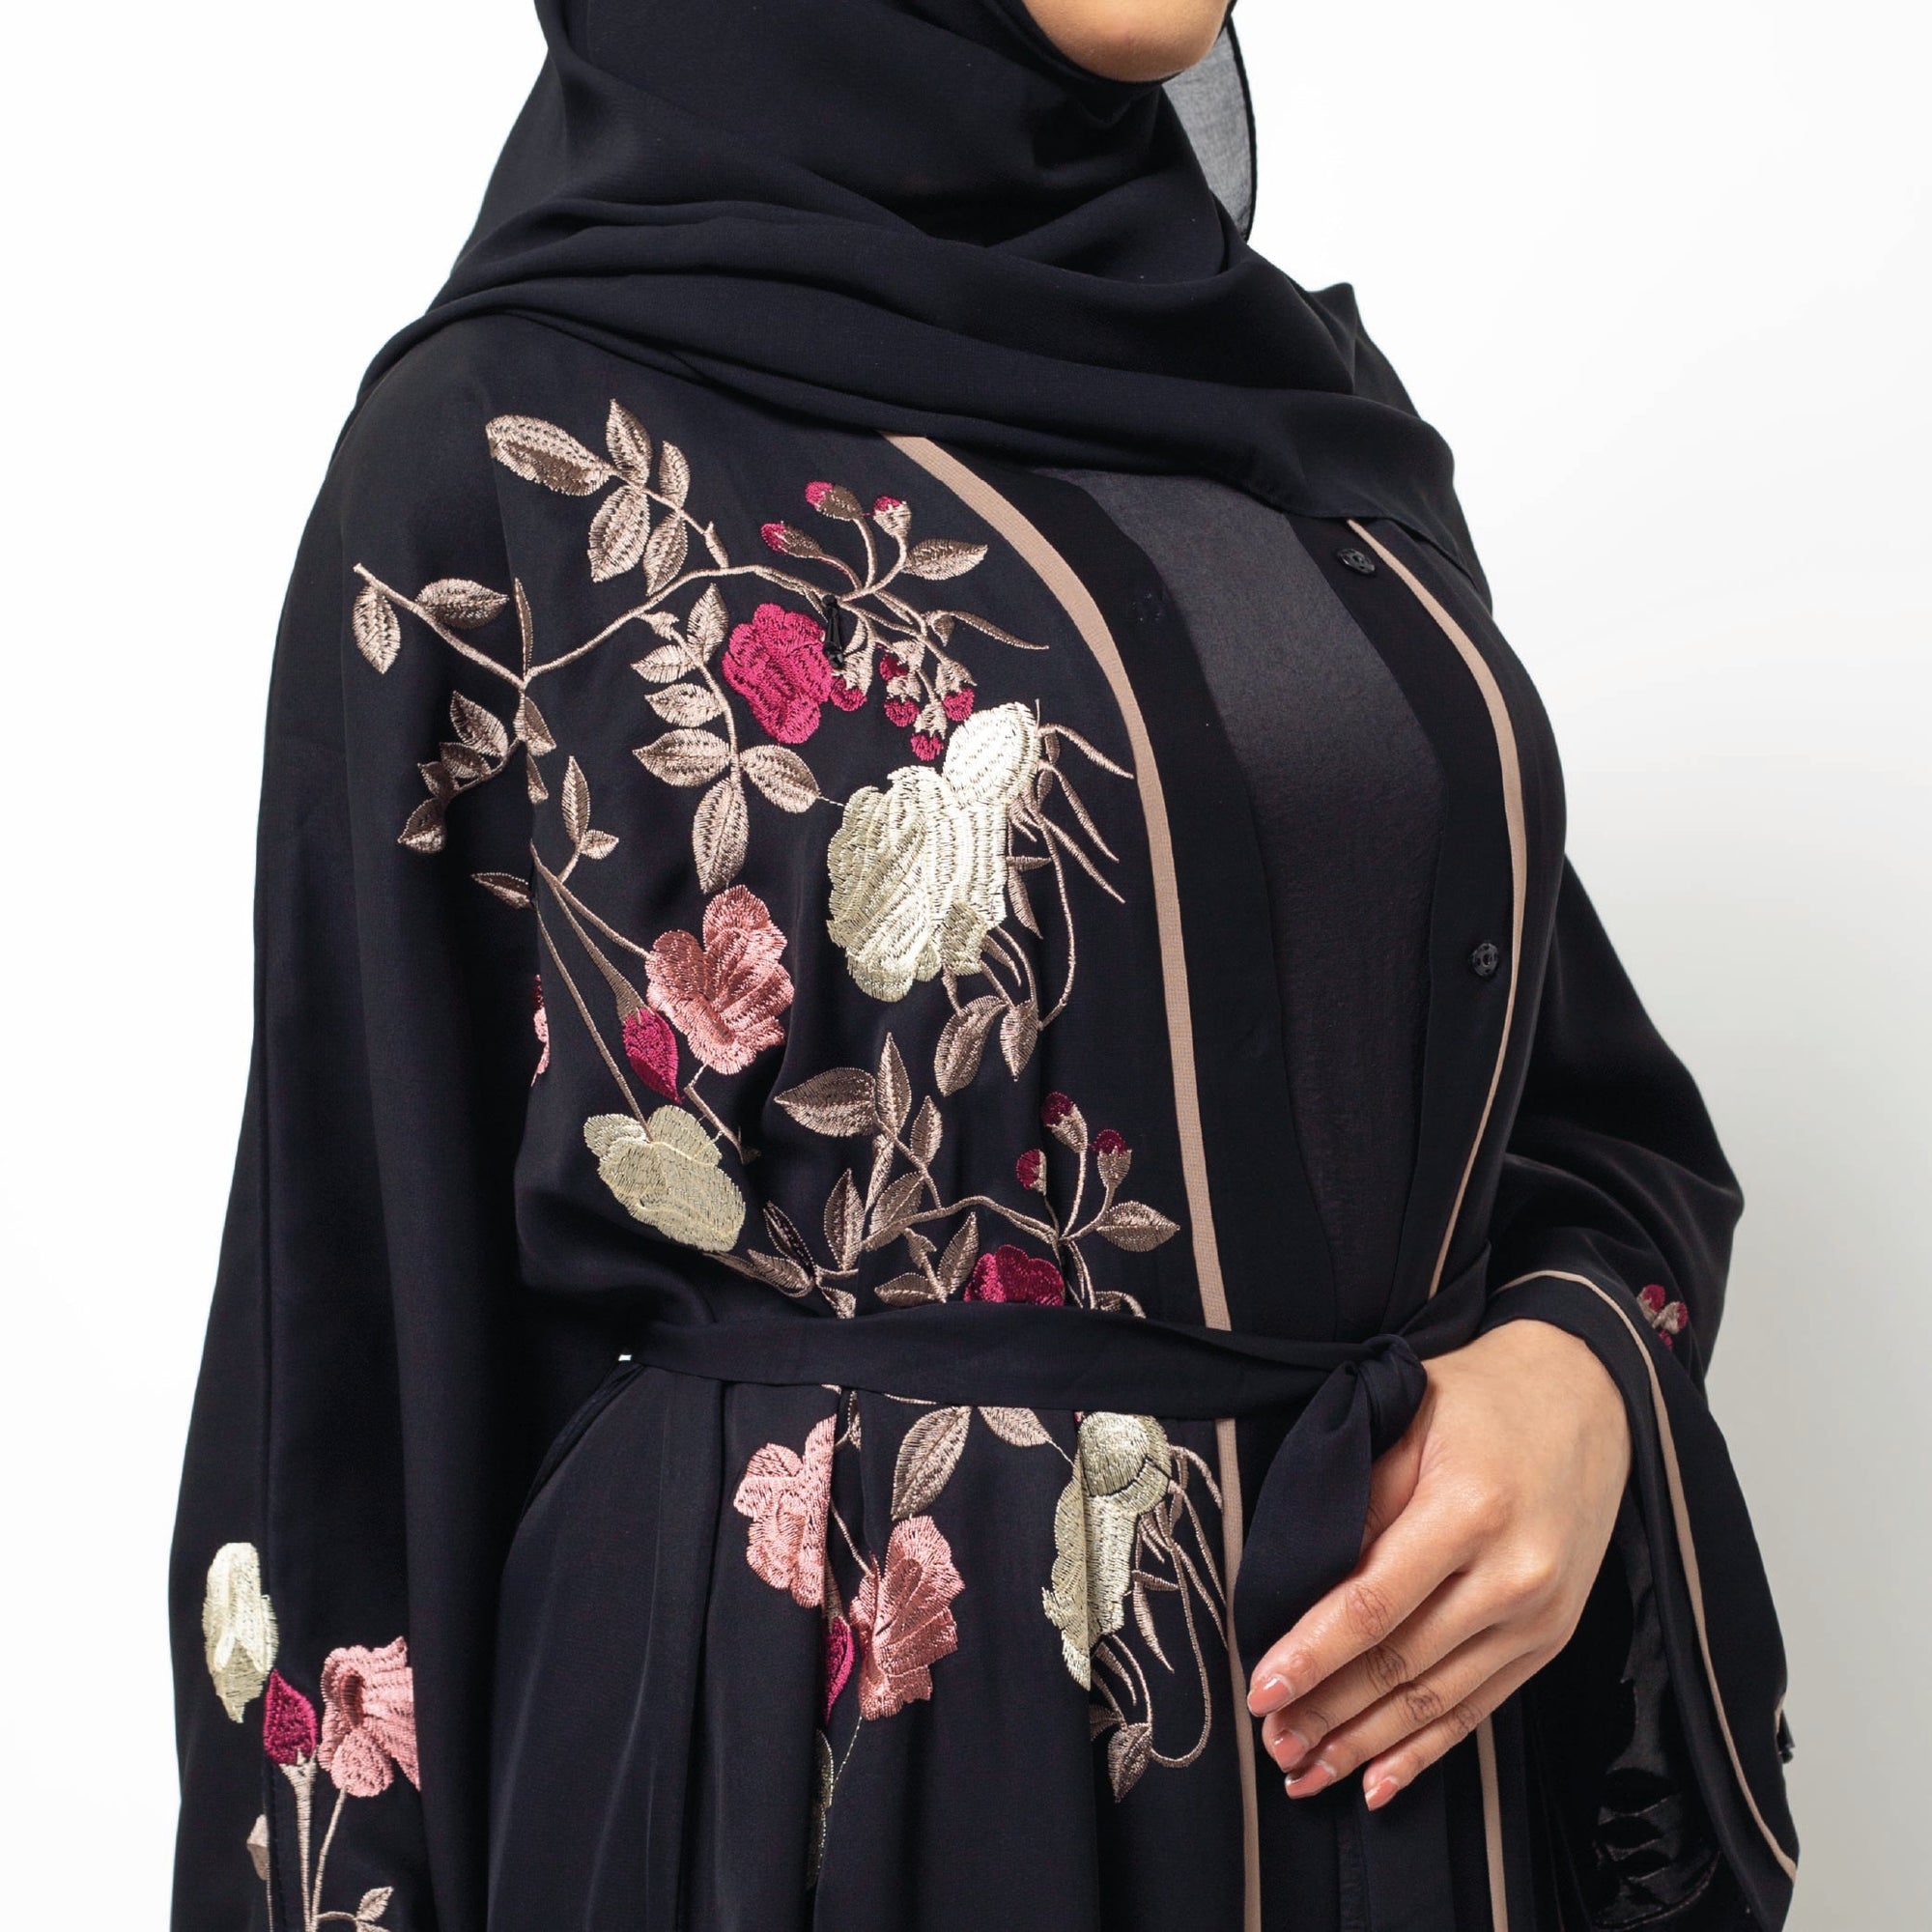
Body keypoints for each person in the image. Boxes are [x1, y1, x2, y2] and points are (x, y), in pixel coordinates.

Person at [168, 2, 1797, 1927]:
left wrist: (1578, 1368)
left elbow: (1552, 1101)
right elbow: (349, 1348)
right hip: (831, 1793)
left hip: (1399, 1769)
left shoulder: (1307, 421)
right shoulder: (505, 446)